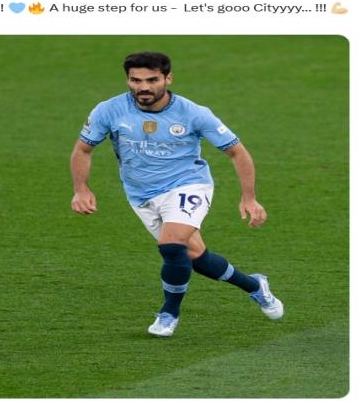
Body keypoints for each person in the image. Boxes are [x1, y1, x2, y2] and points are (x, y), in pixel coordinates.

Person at [70, 52, 283, 337]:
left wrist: (249, 197)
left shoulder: (193, 113)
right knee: (196, 257)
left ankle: (168, 313)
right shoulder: (109, 110)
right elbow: (83, 149)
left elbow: (237, 152)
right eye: (136, 80)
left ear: (167, 79)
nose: (143, 87)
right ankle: (255, 286)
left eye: (152, 80)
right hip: (141, 194)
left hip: (187, 185)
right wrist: (81, 189)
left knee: (171, 245)